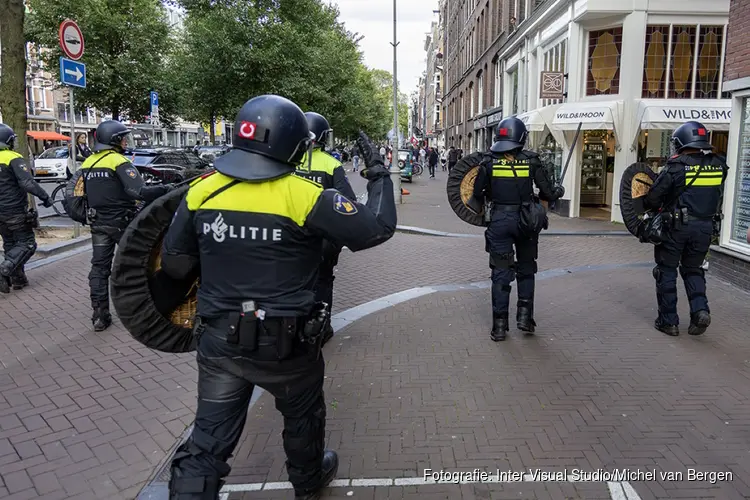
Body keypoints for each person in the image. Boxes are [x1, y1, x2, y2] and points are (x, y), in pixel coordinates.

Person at [160, 94, 396, 500]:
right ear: (293, 144)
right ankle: (307, 482)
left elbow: (176, 266)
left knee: (207, 444)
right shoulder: (305, 195)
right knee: (303, 417)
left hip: (220, 341)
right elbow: (376, 228)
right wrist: (379, 174)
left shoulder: (203, 190)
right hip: (288, 344)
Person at [469, 117, 564, 341]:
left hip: (500, 222)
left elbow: (475, 196)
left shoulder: (488, 162)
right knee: (526, 269)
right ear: (521, 137)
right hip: (527, 222)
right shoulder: (532, 161)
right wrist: (557, 190)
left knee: (500, 274)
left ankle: (499, 328)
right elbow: (548, 193)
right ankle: (525, 318)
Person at [81, 120, 171, 331]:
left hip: (98, 224)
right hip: (123, 225)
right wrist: (166, 189)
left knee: (99, 269)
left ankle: (99, 315)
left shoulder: (88, 163)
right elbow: (141, 192)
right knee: (140, 265)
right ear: (114, 140)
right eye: (122, 137)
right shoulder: (117, 161)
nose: (125, 141)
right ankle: (146, 312)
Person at [644, 120, 728, 337]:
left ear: (681, 142)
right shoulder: (719, 164)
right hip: (705, 227)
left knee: (667, 271)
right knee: (694, 269)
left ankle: (668, 321)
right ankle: (700, 311)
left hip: (676, 226)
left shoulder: (676, 166)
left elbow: (653, 198)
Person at [295, 111, 357, 345]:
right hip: (323, 238)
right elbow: (348, 201)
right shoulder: (332, 164)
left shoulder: (290, 160)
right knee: (323, 281)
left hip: (294, 233)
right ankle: (321, 328)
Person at [0, 123, 54, 293]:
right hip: (14, 209)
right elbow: (27, 183)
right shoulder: (12, 157)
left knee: (10, 243)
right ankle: (4, 270)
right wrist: (45, 197)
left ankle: (18, 279)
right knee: (27, 244)